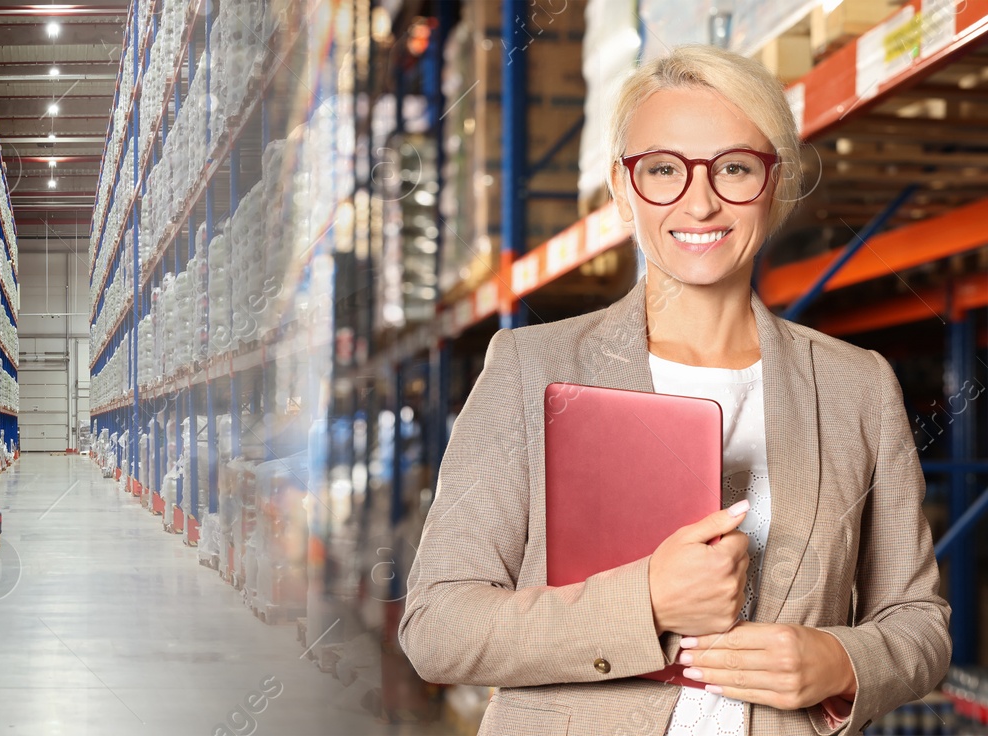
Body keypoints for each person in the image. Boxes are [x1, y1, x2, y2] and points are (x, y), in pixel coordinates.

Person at [399, 44, 951, 735]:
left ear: (774, 185)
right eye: (663, 169)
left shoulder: (856, 386)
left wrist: (843, 660)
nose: (700, 200)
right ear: (623, 189)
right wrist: (648, 602)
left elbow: (918, 621)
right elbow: (436, 626)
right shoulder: (530, 367)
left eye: (735, 168)